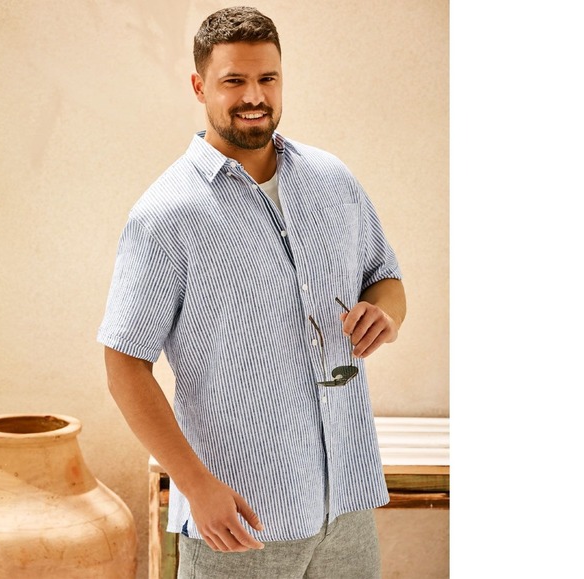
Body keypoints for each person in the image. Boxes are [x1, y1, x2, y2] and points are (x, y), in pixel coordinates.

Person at [98, 6, 406, 578]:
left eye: (267, 78)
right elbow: (124, 365)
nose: (254, 96)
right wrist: (195, 485)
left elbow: (385, 278)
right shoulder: (166, 214)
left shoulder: (333, 180)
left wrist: (385, 314)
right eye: (233, 80)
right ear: (200, 87)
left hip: (347, 507)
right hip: (239, 521)